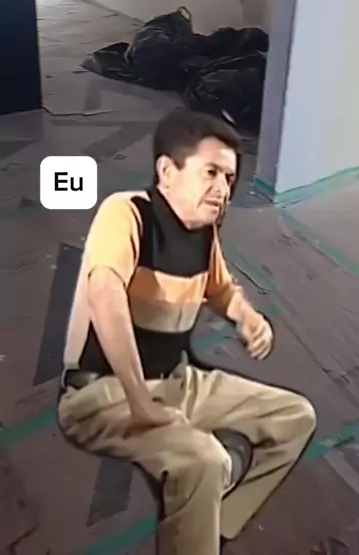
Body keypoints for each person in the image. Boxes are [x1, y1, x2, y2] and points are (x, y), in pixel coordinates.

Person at [57, 108, 316, 555]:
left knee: (297, 416)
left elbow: (222, 290)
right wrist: (140, 401)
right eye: (211, 172)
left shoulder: (203, 232)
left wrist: (247, 316)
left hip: (178, 382)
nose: (223, 189)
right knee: (205, 461)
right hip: (103, 395)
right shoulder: (127, 214)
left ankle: (214, 525)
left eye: (229, 178)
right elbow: (105, 295)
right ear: (166, 172)